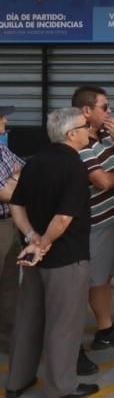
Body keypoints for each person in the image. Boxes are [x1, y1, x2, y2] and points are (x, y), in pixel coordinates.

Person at [6, 108, 97, 398]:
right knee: (64, 326)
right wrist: (43, 243)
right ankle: (61, 388)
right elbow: (64, 218)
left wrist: (31, 237)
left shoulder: (35, 162)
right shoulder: (74, 166)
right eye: (85, 126)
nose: (90, 130)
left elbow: (16, 204)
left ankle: (17, 382)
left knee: (28, 320)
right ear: (72, 134)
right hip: (66, 258)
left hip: (33, 257)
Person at [72, 86, 114, 362]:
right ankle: (75, 343)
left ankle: (105, 329)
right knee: (89, 280)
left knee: (105, 279)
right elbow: (103, 181)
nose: (110, 112)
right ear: (86, 111)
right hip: (96, 225)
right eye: (105, 107)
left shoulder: (105, 137)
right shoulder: (79, 146)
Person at [0, 104, 24, 352]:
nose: (5, 121)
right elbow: (4, 192)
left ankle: (8, 341)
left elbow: (25, 173)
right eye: (1, 116)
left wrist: (13, 180)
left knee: (9, 287)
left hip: (10, 223)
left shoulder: (3, 150)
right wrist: (14, 181)